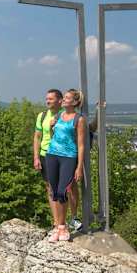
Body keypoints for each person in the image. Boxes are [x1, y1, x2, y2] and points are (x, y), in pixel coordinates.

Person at [33, 89, 82, 233]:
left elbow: (84, 129)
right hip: (46, 154)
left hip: (66, 155)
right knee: (51, 188)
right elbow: (37, 136)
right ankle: (57, 222)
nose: (47, 101)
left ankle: (73, 218)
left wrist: (99, 115)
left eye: (51, 99)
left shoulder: (66, 114)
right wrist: (36, 157)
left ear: (59, 100)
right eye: (46, 98)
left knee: (69, 187)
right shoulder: (42, 116)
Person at [45, 89, 86, 242]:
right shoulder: (58, 116)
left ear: (75, 102)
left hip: (69, 157)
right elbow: (53, 135)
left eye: (67, 98)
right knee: (54, 191)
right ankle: (58, 227)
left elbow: (81, 145)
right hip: (52, 154)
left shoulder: (79, 119)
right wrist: (51, 126)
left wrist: (79, 167)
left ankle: (62, 227)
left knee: (63, 191)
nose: (64, 99)